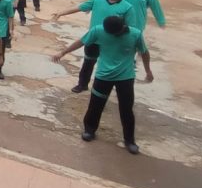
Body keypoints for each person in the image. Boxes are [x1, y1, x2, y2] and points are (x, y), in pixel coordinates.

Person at [52, 15, 153, 155]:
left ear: (123, 27)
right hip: (103, 76)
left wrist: (148, 71)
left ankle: (129, 140)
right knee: (95, 105)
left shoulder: (135, 34)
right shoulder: (98, 30)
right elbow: (81, 41)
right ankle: (89, 130)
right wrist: (63, 52)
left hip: (125, 77)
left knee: (126, 109)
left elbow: (144, 52)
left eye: (115, 33)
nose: (112, 35)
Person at [52, 0, 133, 93]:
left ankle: (107, 88)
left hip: (112, 43)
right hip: (94, 39)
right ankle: (82, 84)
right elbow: (79, 7)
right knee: (88, 63)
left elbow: (130, 27)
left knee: (109, 66)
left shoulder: (127, 7)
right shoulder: (97, 0)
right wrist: (61, 13)